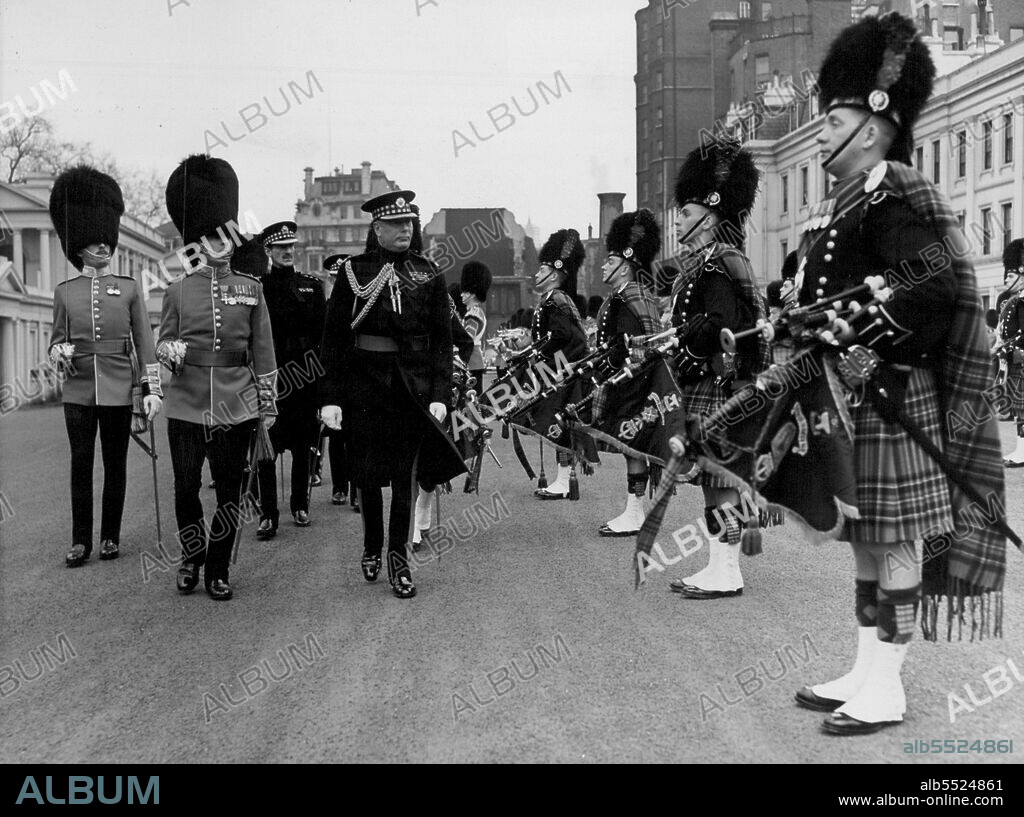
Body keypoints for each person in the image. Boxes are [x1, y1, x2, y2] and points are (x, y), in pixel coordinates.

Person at [789, 12, 1009, 735]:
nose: (822, 131)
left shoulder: (898, 191)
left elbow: (936, 289)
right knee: (866, 536)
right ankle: (863, 666)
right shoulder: (853, 199)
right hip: (863, 391)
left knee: (898, 538)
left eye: (834, 118)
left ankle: (889, 684)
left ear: (875, 119)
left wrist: (859, 334)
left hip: (895, 387)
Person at [320, 189, 466, 599]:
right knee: (367, 477)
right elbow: (332, 341)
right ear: (377, 228)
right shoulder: (354, 272)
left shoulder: (428, 271)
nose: (406, 230)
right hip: (365, 389)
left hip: (412, 390)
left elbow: (442, 341)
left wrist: (441, 393)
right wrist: (330, 398)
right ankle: (370, 544)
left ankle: (398, 559)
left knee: (405, 478)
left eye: (410, 223)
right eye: (397, 224)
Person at [158, 155, 277, 601]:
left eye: (223, 236)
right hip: (187, 401)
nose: (217, 244)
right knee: (186, 488)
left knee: (229, 490)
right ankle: (192, 555)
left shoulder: (252, 288)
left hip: (237, 400)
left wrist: (267, 406)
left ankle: (218, 566)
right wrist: (168, 351)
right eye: (208, 237)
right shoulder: (176, 289)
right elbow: (163, 341)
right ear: (196, 243)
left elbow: (263, 352)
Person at [666, 137, 766, 600]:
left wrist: (683, 343)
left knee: (720, 477)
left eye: (685, 213)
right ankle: (717, 566)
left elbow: (723, 324)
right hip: (703, 380)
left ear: (710, 215)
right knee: (710, 481)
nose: (678, 220)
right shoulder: (704, 263)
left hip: (719, 384)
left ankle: (728, 572)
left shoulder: (721, 262)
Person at [48, 166, 162, 568]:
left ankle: (110, 536)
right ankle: (81, 541)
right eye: (94, 241)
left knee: (115, 465)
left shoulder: (129, 288)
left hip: (117, 386)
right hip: (79, 389)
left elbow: (145, 344)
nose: (102, 247)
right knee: (81, 465)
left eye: (105, 240)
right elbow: (55, 341)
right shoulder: (64, 293)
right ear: (78, 246)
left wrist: (151, 389)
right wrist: (58, 354)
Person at [253, 221, 327, 538]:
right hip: (271, 378)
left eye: (290, 246)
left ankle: (299, 505)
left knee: (303, 446)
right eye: (279, 247)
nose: (286, 251)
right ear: (268, 251)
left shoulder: (312, 286)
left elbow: (322, 339)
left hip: (305, 378)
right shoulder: (258, 287)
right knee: (267, 448)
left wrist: (321, 387)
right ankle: (268, 513)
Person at [594, 209, 663, 536]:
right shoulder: (622, 296)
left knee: (633, 445)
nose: (604, 266)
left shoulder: (633, 296)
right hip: (626, 381)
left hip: (636, 383)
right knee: (630, 447)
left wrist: (617, 373)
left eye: (610, 261)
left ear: (626, 262)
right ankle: (634, 510)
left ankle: (636, 512)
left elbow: (641, 347)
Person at [528, 229, 590, 500]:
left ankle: (564, 481)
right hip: (559, 369)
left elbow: (564, 336)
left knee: (560, 425)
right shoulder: (551, 299)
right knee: (558, 424)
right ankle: (562, 478)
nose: (536, 274)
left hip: (561, 371)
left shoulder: (557, 299)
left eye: (541, 270)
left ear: (554, 274)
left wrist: (540, 355)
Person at [320, 254, 357, 509]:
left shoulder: (360, 303)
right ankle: (339, 487)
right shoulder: (323, 304)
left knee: (356, 435)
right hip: (335, 374)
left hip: (357, 374)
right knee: (336, 435)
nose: (336, 282)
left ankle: (357, 489)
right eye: (333, 278)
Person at [997, 238, 1024, 466]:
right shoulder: (1012, 300)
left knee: (1022, 408)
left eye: (1011, 274)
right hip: (1014, 360)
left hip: (1021, 359)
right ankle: (1021, 448)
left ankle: (1022, 451)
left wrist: (1008, 346)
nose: (1007, 278)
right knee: (1018, 406)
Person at [461, 261, 491, 392]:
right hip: (474, 360)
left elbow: (466, 338)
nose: (461, 294)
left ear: (472, 293)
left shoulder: (473, 314)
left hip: (470, 361)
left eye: (465, 292)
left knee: (471, 400)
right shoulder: (476, 311)